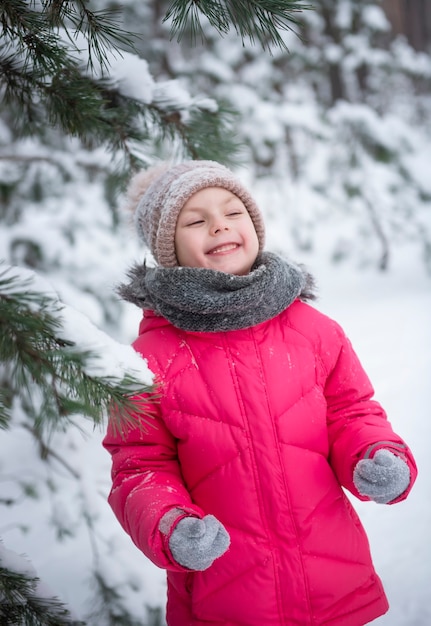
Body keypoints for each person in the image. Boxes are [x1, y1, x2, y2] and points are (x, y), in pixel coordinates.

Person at [103, 160, 417, 626]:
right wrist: (170, 525)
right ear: (168, 249)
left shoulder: (314, 331)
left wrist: (375, 453)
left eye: (234, 211)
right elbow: (139, 466)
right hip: (227, 592)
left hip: (330, 579)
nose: (219, 224)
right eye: (195, 219)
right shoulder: (146, 360)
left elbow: (351, 412)